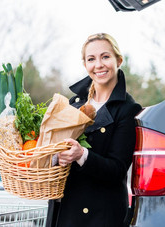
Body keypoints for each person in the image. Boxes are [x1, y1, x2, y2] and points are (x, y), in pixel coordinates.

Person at [46, 33, 142, 227]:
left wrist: (81, 154)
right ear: (85, 65)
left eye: (105, 57)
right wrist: (57, 157)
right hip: (66, 210)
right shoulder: (74, 105)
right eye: (91, 59)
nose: (98, 65)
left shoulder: (128, 109)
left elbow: (117, 169)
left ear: (118, 60)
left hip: (101, 214)